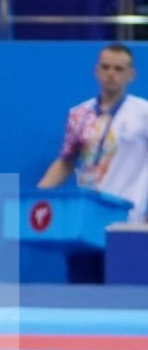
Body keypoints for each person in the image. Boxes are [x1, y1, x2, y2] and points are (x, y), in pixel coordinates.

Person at [39, 45, 148, 228]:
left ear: (131, 74)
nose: (111, 74)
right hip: (87, 218)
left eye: (118, 69)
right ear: (96, 71)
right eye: (105, 67)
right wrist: (38, 196)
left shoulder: (144, 113)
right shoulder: (79, 114)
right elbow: (66, 162)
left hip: (130, 217)